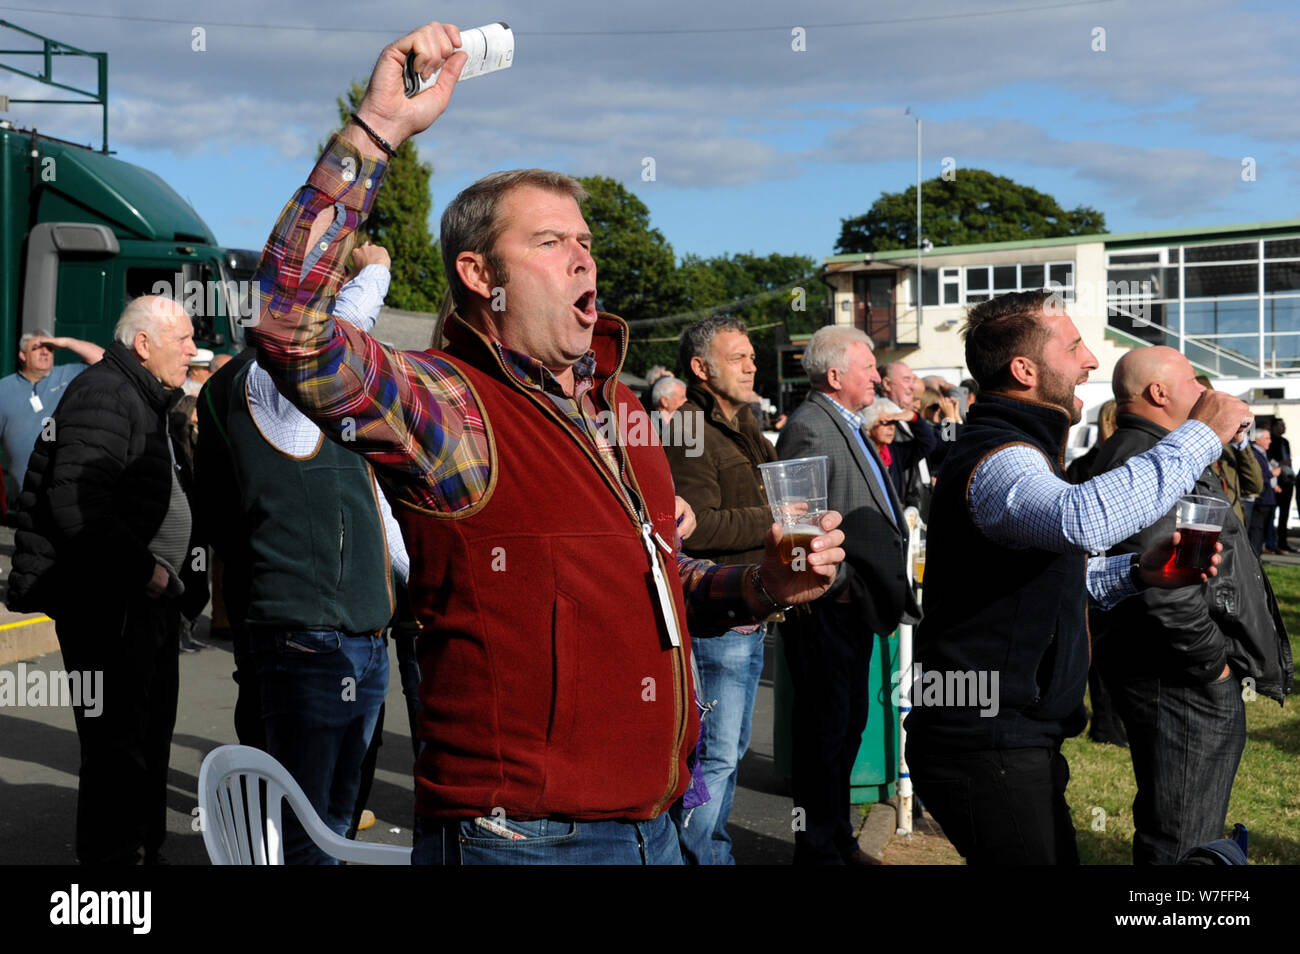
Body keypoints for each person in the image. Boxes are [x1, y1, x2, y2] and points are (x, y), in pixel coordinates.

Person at [245, 20, 846, 866]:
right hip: (528, 841)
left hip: (657, 828)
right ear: (480, 277)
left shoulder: (622, 412)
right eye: (550, 242)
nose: (583, 261)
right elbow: (290, 327)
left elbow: (662, 585)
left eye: (587, 243)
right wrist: (377, 133)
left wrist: (763, 583)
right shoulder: (454, 405)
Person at [905, 289, 1252, 866]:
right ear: (1025, 370)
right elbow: (1084, 519)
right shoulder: (1001, 458)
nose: (1091, 360)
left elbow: (1050, 580)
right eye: (1073, 347)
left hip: (1010, 736)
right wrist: (1202, 435)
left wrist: (1139, 573)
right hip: (985, 740)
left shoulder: (1025, 450)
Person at [223, 242, 410, 864]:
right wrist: (376, 268)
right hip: (314, 638)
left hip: (350, 635)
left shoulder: (328, 406)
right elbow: (344, 326)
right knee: (308, 829)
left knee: (337, 816)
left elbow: (375, 513)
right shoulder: (269, 379)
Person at [7, 296, 206, 864]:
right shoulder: (106, 394)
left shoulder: (143, 395)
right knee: (116, 747)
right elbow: (75, 500)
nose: (193, 352)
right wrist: (143, 572)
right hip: (111, 605)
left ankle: (140, 849)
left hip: (146, 604)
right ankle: (110, 873)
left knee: (145, 739)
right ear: (144, 345)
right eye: (184, 339)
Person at [1082, 346, 1292, 864]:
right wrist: (1213, 666)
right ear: (1159, 392)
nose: (1207, 394)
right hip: (1177, 678)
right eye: (1195, 386)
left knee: (1180, 825)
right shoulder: (1143, 458)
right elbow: (1165, 588)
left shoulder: (1156, 452)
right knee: (1182, 841)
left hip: (1170, 673)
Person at [776, 325, 918, 865]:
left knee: (843, 730)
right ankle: (818, 851)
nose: (877, 376)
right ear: (835, 375)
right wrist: (836, 590)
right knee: (823, 738)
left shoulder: (843, 422)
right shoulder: (811, 426)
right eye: (868, 368)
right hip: (827, 612)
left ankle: (837, 840)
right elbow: (795, 529)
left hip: (850, 611)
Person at [663, 315, 776, 865]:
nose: (752, 364)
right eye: (739, 357)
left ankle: (705, 852)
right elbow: (695, 526)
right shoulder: (688, 431)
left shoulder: (744, 423)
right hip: (714, 619)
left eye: (752, 355)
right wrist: (777, 518)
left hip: (746, 614)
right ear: (701, 368)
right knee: (712, 757)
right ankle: (702, 856)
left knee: (727, 752)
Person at [0, 331, 103, 505]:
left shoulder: (67, 374)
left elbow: (102, 359)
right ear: (22, 355)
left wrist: (65, 341)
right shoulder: (4, 388)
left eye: (49, 348)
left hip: (64, 488)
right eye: (37, 348)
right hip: (24, 493)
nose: (45, 352)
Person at [878, 361, 937, 517]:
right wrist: (950, 422)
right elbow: (944, 448)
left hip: (923, 496)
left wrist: (951, 421)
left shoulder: (918, 420)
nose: (914, 402)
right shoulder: (891, 420)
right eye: (934, 406)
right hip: (909, 498)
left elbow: (944, 446)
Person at [1247, 429, 1280, 555]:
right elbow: (1258, 476)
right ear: (1258, 439)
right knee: (1256, 532)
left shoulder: (1263, 454)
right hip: (1261, 499)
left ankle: (1258, 557)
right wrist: (1272, 474)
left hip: (1268, 499)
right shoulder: (1255, 454)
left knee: (1262, 532)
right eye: (1266, 438)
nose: (1270, 441)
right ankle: (1254, 559)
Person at [1271, 419, 1294, 552]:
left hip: (1287, 481)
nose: (1284, 427)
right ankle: (1271, 542)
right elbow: (1268, 458)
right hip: (1276, 481)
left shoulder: (1285, 442)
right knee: (1272, 513)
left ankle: (1282, 542)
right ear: (1274, 427)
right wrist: (1280, 463)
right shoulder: (1271, 440)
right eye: (1281, 425)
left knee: (1284, 514)